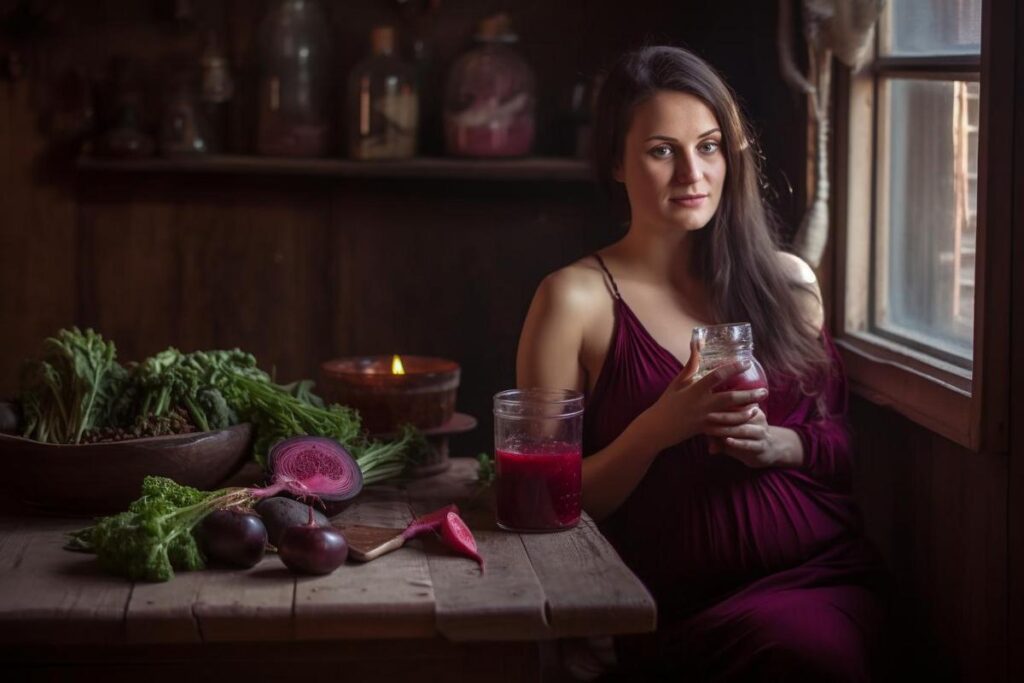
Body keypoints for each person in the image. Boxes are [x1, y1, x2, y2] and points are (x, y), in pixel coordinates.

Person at [516, 46, 890, 682]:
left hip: (816, 581)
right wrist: (659, 428)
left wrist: (780, 444)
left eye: (709, 146)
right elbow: (539, 502)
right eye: (662, 150)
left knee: (805, 653)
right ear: (616, 161)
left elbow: (841, 448)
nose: (692, 172)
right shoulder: (573, 302)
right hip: (666, 611)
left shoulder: (788, 282)